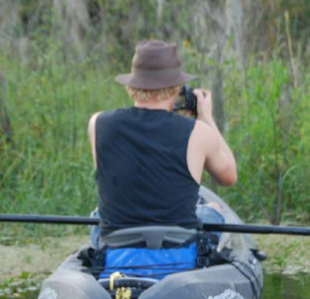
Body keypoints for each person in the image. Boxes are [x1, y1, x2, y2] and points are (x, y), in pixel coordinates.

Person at [88, 39, 237, 248]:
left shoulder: (98, 123)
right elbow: (229, 176)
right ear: (177, 87)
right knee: (213, 209)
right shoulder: (199, 132)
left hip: (117, 246)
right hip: (177, 247)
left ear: (131, 85)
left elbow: (114, 184)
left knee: (97, 214)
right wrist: (206, 116)